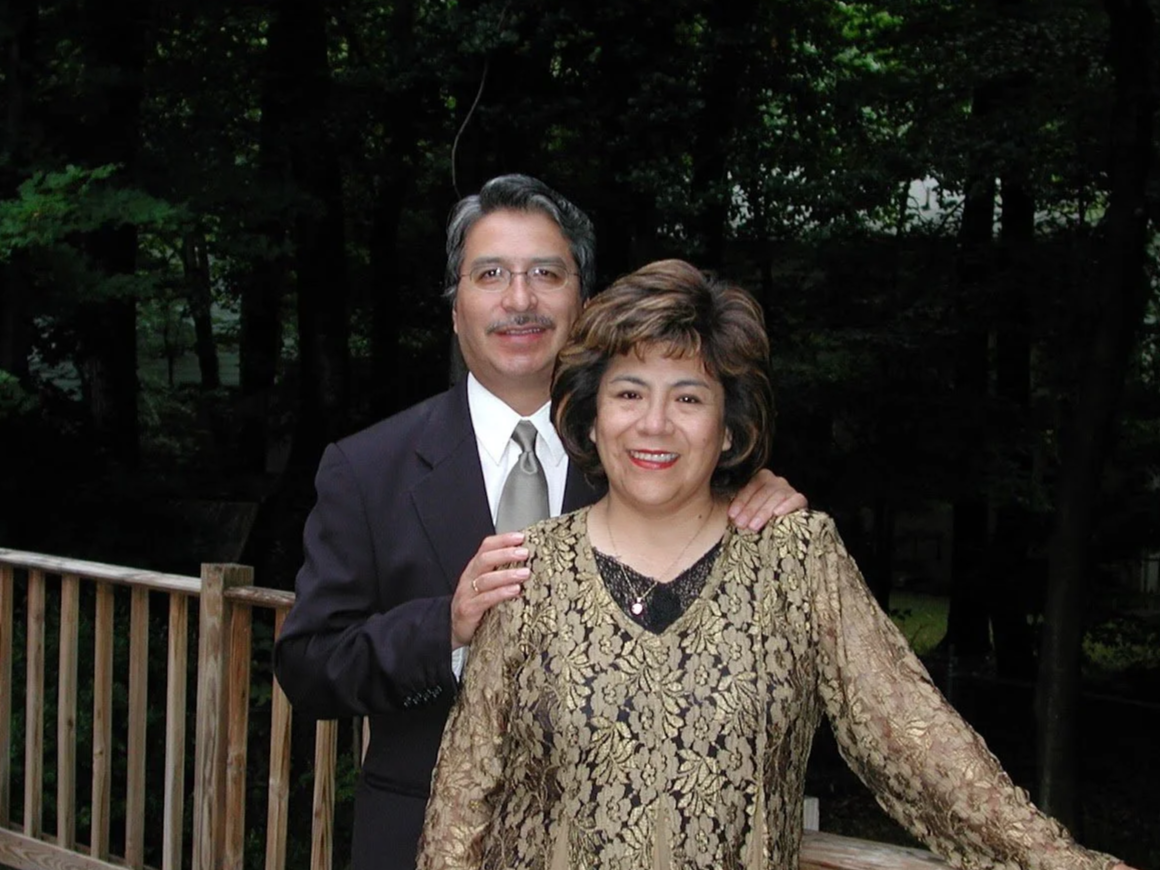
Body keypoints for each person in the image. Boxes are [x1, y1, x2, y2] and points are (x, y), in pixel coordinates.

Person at [416, 259, 1134, 870]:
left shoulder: (796, 559)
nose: (655, 424)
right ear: (591, 414)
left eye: (689, 397)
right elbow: (465, 801)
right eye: (629, 392)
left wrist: (1058, 861)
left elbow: (916, 741)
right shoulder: (529, 571)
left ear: (729, 426)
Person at [273, 177, 806, 870]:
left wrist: (755, 505)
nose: (519, 300)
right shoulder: (366, 469)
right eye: (490, 274)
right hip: (418, 843)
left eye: (546, 274)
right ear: (455, 306)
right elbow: (310, 668)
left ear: (583, 301)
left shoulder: (661, 458)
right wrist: (446, 628)